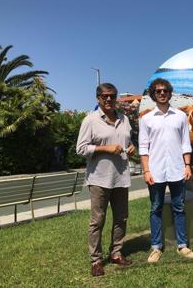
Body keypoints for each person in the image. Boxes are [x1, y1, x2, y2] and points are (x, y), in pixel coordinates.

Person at [76, 83, 136, 276]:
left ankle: (116, 254)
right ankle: (96, 260)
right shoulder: (90, 120)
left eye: (112, 96)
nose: (109, 99)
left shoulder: (124, 119)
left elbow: (127, 141)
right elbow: (81, 149)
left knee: (121, 218)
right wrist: (104, 148)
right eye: (105, 96)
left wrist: (132, 146)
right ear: (98, 98)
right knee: (97, 221)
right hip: (99, 179)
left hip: (121, 177)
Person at [139, 78, 193, 263]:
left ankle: (183, 246)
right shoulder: (146, 119)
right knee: (155, 208)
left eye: (165, 90)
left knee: (179, 208)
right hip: (155, 171)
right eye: (158, 91)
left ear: (170, 93)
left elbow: (185, 143)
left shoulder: (180, 116)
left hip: (177, 169)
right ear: (153, 94)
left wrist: (187, 165)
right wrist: (146, 170)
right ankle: (156, 247)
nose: (162, 93)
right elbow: (143, 147)